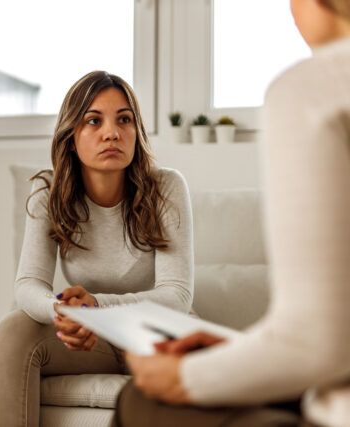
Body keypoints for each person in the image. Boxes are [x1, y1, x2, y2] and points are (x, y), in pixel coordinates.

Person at [114, 1, 350, 426]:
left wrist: (186, 377)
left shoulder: (315, 88)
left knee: (144, 400)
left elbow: (316, 343)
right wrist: (238, 349)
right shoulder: (49, 196)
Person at [0, 71, 194, 427]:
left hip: (152, 333)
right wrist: (65, 313)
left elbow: (178, 296)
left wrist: (96, 307)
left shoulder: (166, 187)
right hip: (87, 338)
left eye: (123, 119)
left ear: (136, 131)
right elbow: (28, 284)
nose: (111, 132)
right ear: (71, 136)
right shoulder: (47, 193)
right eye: (93, 120)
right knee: (13, 330)